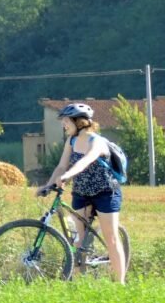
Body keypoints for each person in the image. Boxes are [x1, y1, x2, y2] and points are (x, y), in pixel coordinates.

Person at [39, 103, 125, 284]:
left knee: (111, 239)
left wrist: (68, 175)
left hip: (106, 193)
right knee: (78, 241)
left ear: (79, 122)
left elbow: (86, 161)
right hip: (81, 193)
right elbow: (61, 165)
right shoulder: (71, 141)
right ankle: (78, 285)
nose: (63, 124)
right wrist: (47, 185)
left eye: (66, 120)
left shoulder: (97, 141)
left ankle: (120, 285)